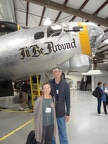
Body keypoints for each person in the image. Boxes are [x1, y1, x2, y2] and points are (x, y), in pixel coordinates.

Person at [49, 67, 70, 144]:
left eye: (58, 72)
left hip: (61, 113)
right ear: (53, 73)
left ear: (61, 73)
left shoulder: (65, 84)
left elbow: (68, 99)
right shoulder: (49, 83)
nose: (57, 73)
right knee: (51, 133)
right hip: (51, 113)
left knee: (63, 133)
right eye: (55, 72)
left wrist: (68, 113)